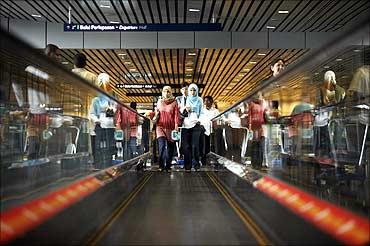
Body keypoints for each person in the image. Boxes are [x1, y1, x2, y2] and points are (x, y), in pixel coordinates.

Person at [11, 44, 61, 159]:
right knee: (38, 149)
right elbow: (16, 82)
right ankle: (33, 172)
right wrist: (22, 104)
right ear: (50, 54)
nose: (59, 58)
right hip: (39, 114)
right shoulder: (36, 70)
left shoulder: (33, 69)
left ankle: (36, 171)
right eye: (57, 55)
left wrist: (22, 103)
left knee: (37, 148)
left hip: (40, 114)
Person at [89, 78, 116, 168]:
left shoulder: (111, 100)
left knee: (109, 147)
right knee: (98, 147)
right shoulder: (96, 100)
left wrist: (112, 109)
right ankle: (98, 165)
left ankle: (108, 165)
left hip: (109, 126)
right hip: (100, 126)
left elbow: (114, 111)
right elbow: (92, 113)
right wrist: (97, 120)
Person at [153, 86, 179, 172]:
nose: (166, 93)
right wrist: (154, 115)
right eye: (164, 91)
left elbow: (176, 116)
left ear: (171, 92)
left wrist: (176, 127)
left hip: (171, 128)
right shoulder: (159, 101)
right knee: (162, 146)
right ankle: (161, 165)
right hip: (160, 127)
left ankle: (168, 166)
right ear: (162, 92)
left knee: (170, 148)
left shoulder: (174, 102)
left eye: (168, 91)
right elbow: (156, 113)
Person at [182, 84, 203, 172]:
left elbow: (202, 111)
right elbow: (180, 111)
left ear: (197, 91)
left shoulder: (199, 100)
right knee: (187, 147)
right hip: (186, 125)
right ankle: (187, 166)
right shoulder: (185, 99)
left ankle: (196, 164)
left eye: (194, 90)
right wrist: (185, 109)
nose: (193, 92)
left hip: (196, 124)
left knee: (195, 146)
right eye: (191, 90)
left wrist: (199, 120)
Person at [199, 96, 219, 166]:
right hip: (203, 131)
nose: (206, 102)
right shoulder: (201, 110)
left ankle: (212, 161)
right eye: (205, 101)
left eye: (208, 101)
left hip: (212, 131)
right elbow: (199, 119)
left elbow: (218, 119)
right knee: (203, 146)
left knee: (212, 147)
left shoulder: (215, 111)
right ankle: (203, 161)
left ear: (211, 102)